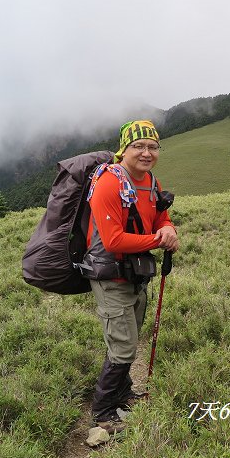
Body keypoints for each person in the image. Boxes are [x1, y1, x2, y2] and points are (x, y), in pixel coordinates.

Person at [84, 120, 179, 434]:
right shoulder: (110, 184)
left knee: (128, 338)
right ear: (123, 149)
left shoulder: (150, 180)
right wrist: (158, 240)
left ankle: (123, 394)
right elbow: (112, 241)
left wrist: (167, 228)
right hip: (110, 275)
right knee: (124, 346)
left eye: (153, 146)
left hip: (134, 272)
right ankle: (102, 413)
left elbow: (160, 216)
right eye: (138, 146)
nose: (147, 152)